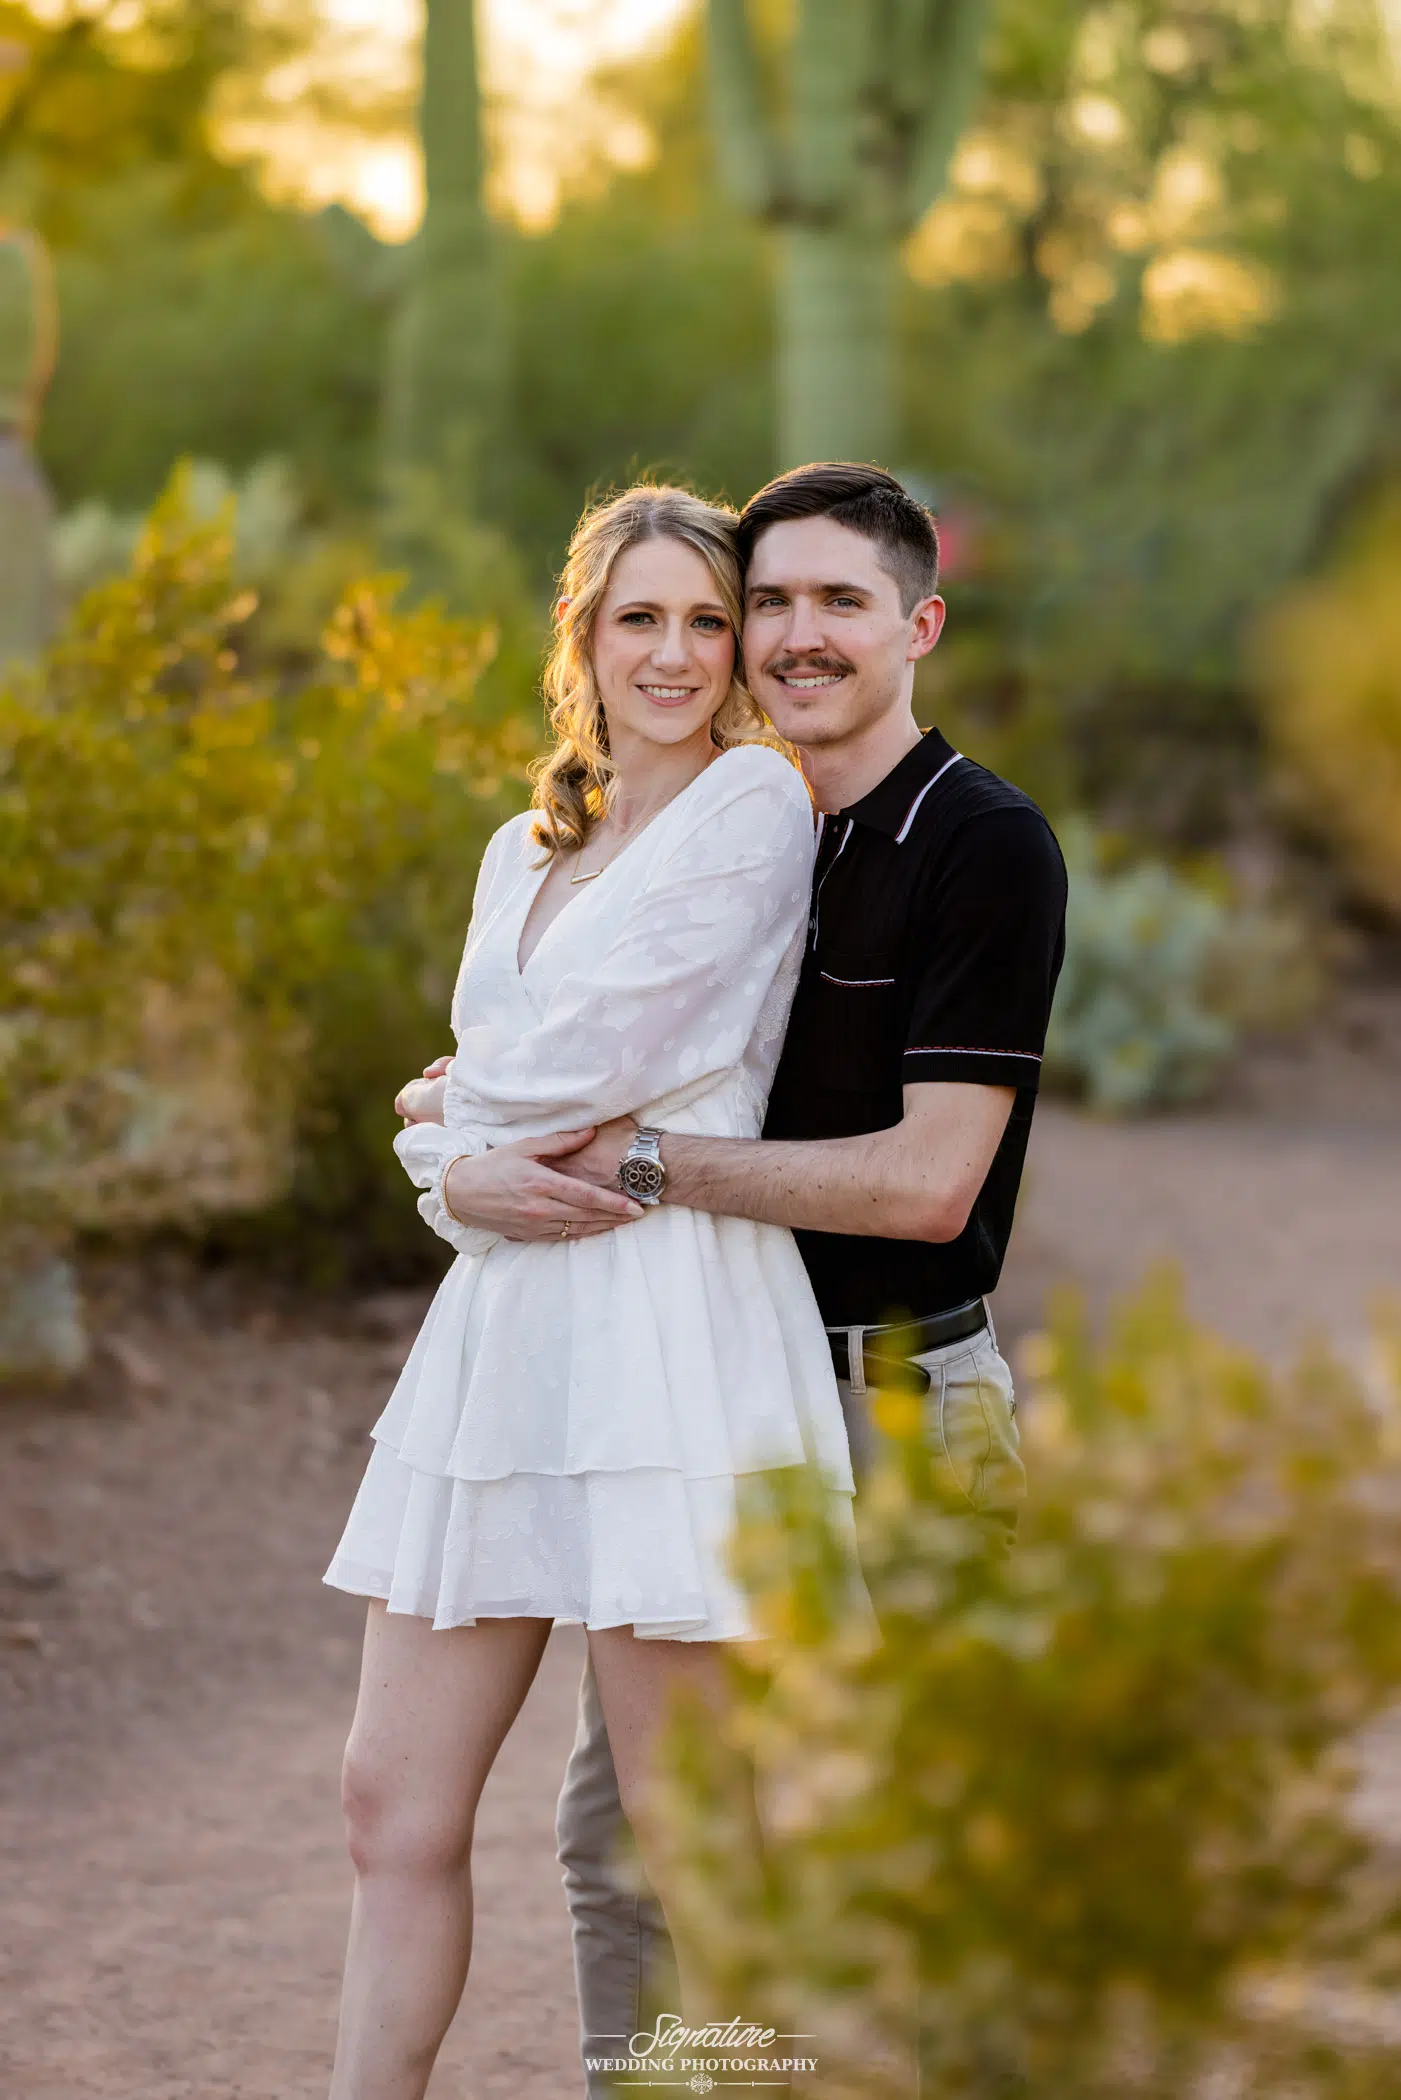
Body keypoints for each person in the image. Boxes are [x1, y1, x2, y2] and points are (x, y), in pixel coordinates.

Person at [418, 462, 1068, 2093]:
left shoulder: (978, 843)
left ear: (917, 622)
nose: (793, 634)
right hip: (707, 1379)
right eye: (765, 600)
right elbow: (526, 1052)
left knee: (901, 1851)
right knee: (632, 1841)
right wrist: (455, 1127)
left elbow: (929, 1189)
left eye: (838, 601)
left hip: (892, 1402)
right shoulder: (727, 823)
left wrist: (628, 1163)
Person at [320, 484, 857, 2100]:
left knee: (693, 1846)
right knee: (386, 1804)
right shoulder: (522, 846)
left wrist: (434, 1119)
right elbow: (508, 1095)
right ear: (585, 638)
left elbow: (569, 1064)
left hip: (668, 1324)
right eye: (642, 618)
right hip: (507, 1330)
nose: (679, 653)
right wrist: (449, 1162)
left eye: (710, 620)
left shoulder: (758, 808)